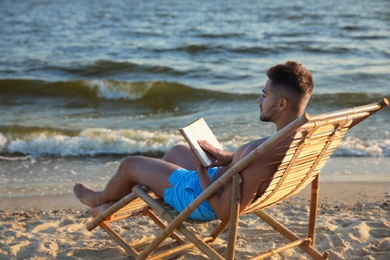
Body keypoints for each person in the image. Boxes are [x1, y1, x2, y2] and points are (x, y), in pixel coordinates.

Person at [73, 60, 314, 224]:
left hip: (200, 199)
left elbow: (225, 213)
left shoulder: (267, 154)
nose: (258, 99)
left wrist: (201, 172)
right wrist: (229, 156)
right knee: (178, 151)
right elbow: (252, 167)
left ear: (281, 104)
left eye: (265, 94)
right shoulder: (297, 135)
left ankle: (100, 200)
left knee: (130, 164)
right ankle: (116, 207)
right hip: (218, 180)